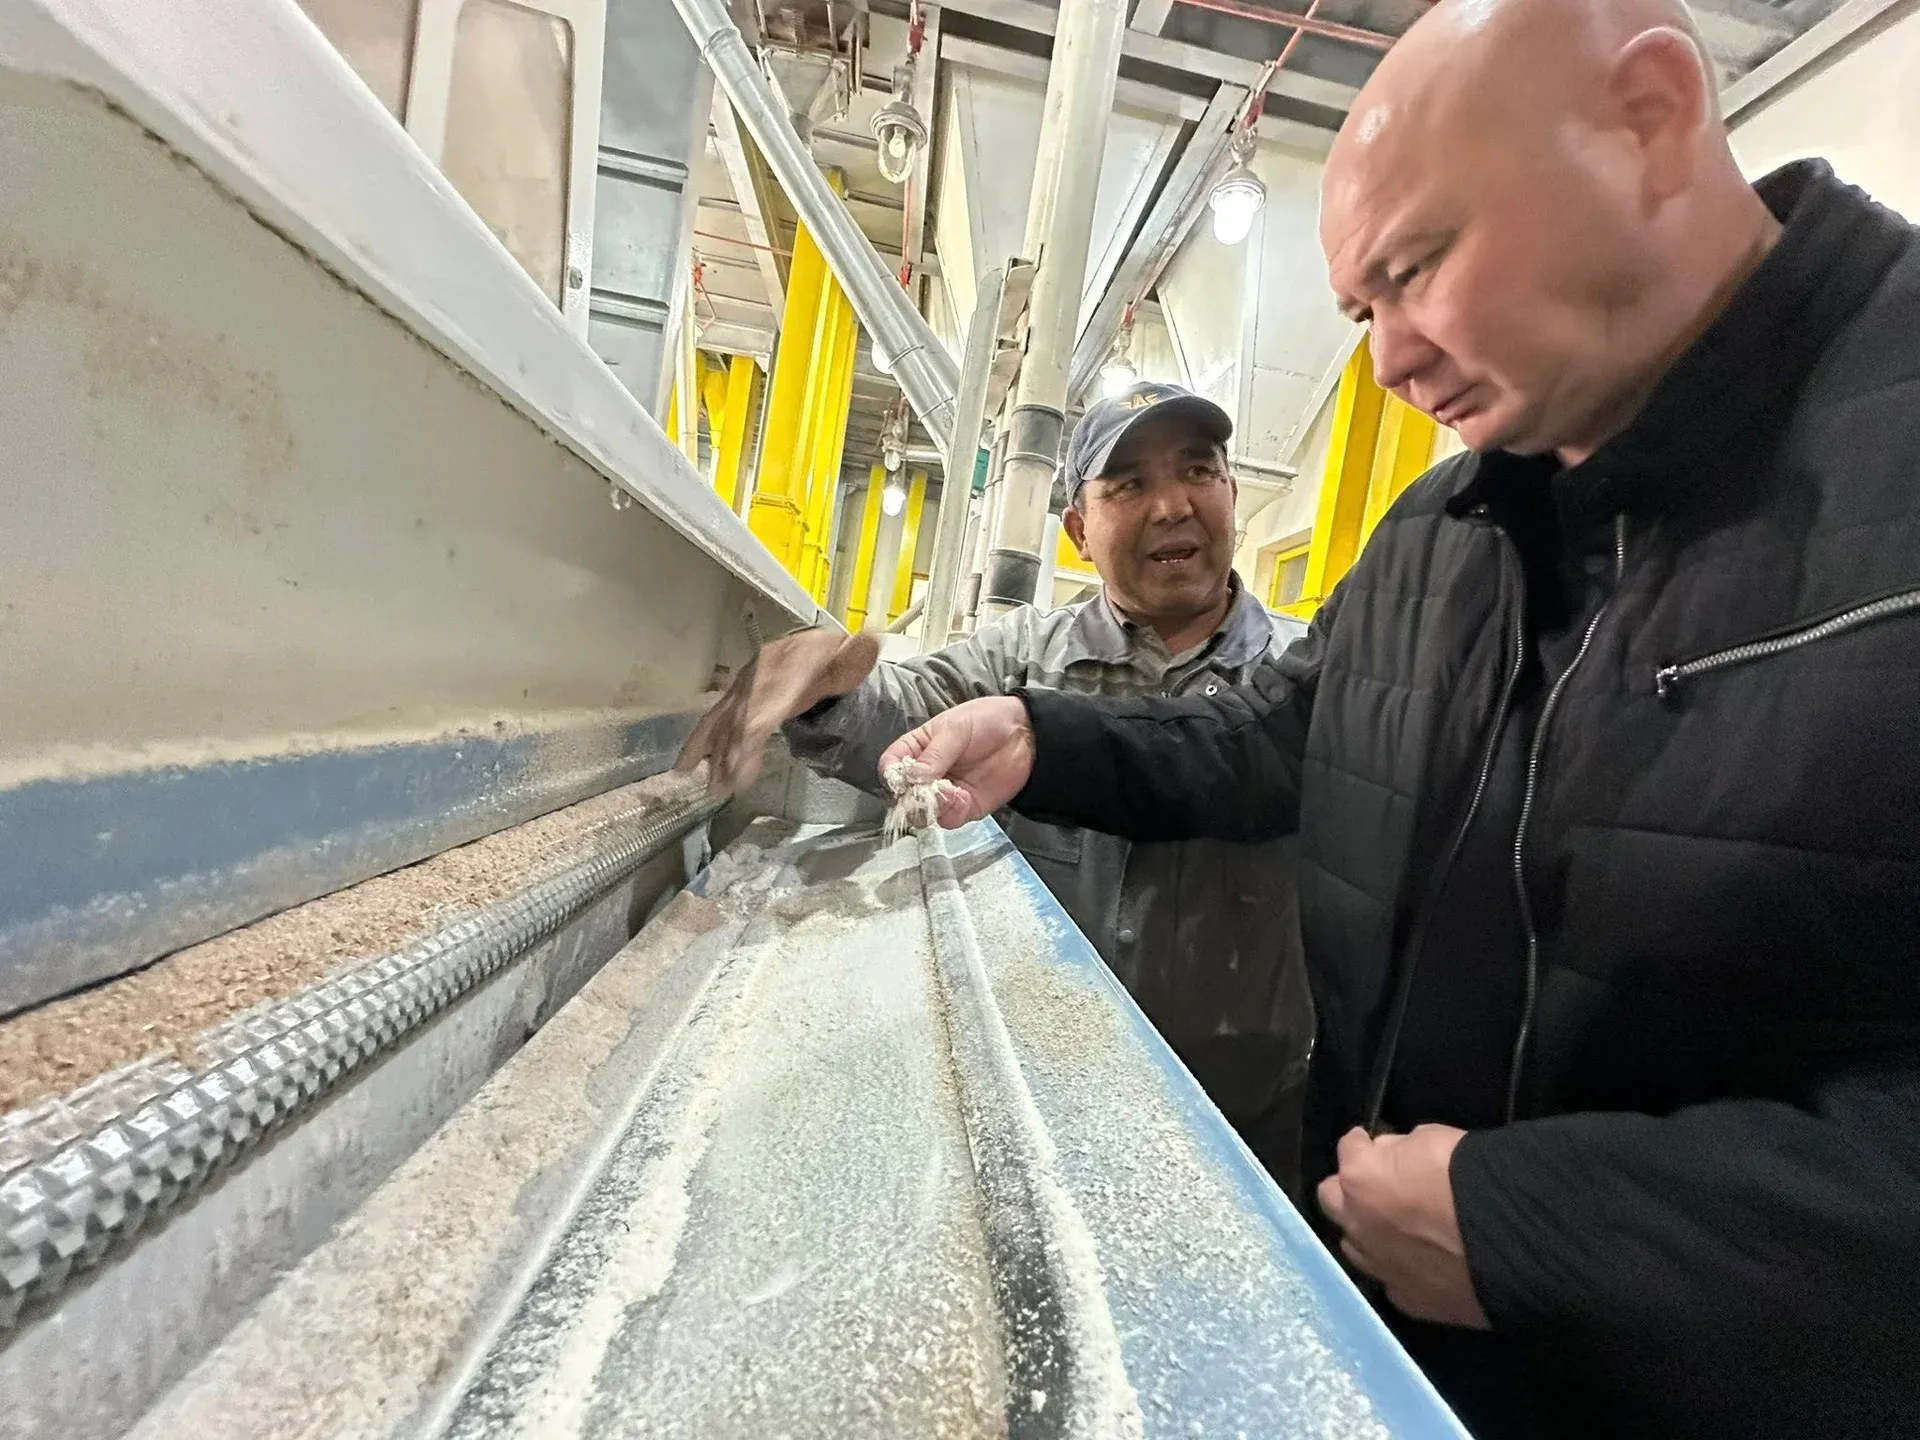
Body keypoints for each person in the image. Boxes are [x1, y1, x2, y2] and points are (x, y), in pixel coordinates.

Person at [874, 1, 1920, 1436]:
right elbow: (1275, 741)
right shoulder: (1444, 529)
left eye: (1417, 270)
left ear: (1651, 120)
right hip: (1378, 1356)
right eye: (1362, 310)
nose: (1385, 364)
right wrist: (1048, 737)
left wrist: (1547, 1228)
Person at [678, 382, 1317, 1192]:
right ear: (1078, 530)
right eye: (1129, 485)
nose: (1170, 507)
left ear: (1231, 493)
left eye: (1197, 471)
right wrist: (830, 686)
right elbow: (912, 712)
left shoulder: (1307, 684)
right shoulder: (1023, 658)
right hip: (1036, 1090)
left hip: (1240, 1119)